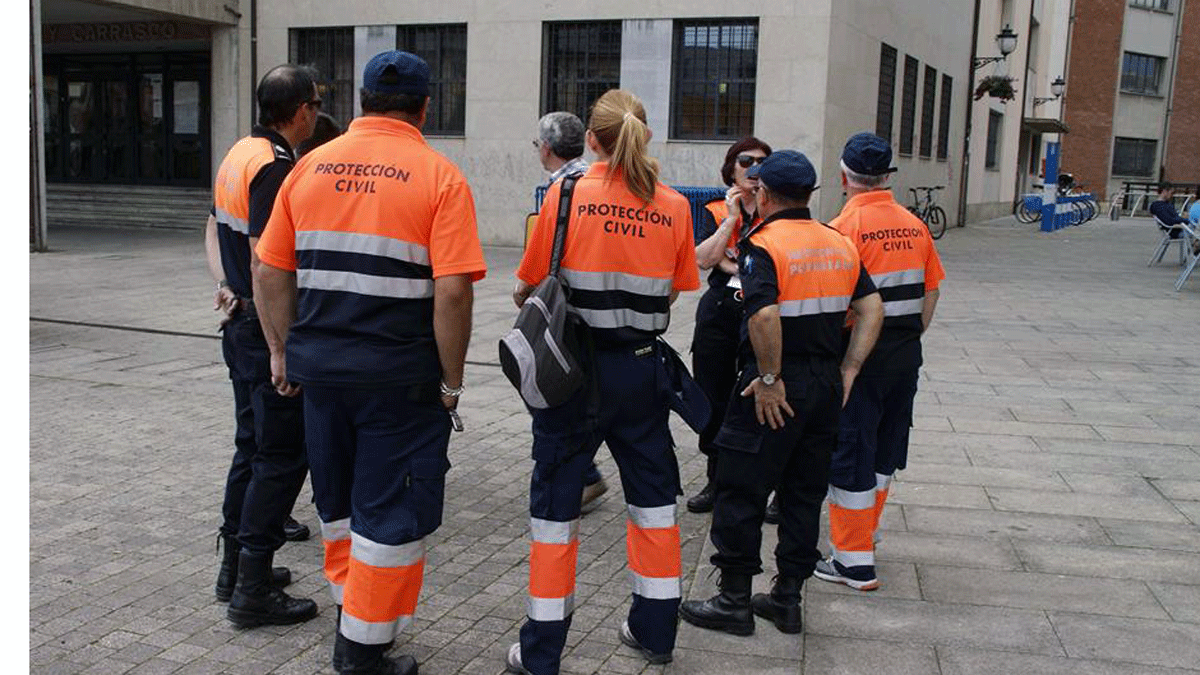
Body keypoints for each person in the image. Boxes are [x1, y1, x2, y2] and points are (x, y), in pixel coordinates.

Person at [254, 50, 487, 675]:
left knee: (337, 507)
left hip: (321, 375)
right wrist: (452, 381)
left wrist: (282, 350)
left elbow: (269, 270)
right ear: (426, 107)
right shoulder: (440, 177)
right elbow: (453, 293)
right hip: (399, 380)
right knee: (390, 515)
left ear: (359, 101)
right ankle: (361, 652)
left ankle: (351, 613)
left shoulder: (308, 167)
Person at [505, 89, 700, 675]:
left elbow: (529, 285)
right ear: (646, 136)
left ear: (591, 139)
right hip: (642, 371)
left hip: (572, 375)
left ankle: (541, 653)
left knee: (554, 514)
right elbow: (672, 291)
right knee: (654, 505)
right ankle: (655, 632)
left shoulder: (564, 195)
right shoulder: (674, 205)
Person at [679, 150, 884, 637]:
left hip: (773, 385)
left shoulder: (763, 244)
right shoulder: (838, 241)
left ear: (765, 193)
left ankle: (733, 600)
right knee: (803, 493)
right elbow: (872, 307)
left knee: (741, 488)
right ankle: (787, 599)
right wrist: (850, 368)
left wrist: (770, 378)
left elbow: (764, 314)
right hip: (824, 383)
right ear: (810, 194)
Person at [202, 63, 321, 628]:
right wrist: (280, 348)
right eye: (315, 104)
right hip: (261, 330)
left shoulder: (238, 153)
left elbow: (211, 227)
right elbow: (266, 263)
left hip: (240, 325)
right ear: (300, 111)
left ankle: (234, 570)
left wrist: (222, 285)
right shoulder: (274, 166)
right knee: (280, 457)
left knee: (250, 447)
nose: (317, 113)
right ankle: (252, 589)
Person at [812, 132, 945, 592]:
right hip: (905, 354)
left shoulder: (841, 229)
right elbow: (931, 290)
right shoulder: (915, 225)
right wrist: (909, 337)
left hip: (859, 356)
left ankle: (852, 562)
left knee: (852, 449)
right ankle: (865, 533)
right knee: (886, 449)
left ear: (844, 176)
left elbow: (833, 306)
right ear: (888, 176)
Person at [687, 137, 771, 518]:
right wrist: (731, 220)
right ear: (731, 170)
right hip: (721, 309)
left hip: (761, 311)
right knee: (713, 394)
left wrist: (732, 261)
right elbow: (705, 259)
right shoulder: (716, 209)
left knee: (759, 395)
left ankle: (762, 482)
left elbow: (767, 259)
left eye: (761, 162)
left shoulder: (775, 208)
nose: (753, 169)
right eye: (746, 161)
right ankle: (716, 479)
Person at [533, 110, 608, 514]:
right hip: (601, 310)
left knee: (549, 390)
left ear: (546, 148)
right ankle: (585, 473)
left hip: (568, 312)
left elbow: (541, 262)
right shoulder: (595, 180)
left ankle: (581, 476)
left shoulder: (562, 189)